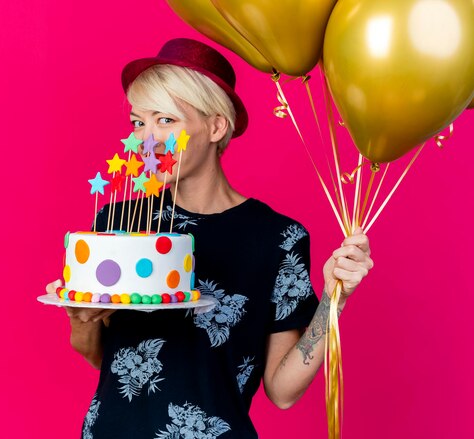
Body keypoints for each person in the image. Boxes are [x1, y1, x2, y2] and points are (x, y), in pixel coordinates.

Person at [51, 38, 373, 438]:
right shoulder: (119, 222)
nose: (147, 141)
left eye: (165, 120)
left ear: (216, 126)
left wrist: (335, 299)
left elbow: (283, 391)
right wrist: (79, 318)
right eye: (139, 122)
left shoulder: (278, 238)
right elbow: (98, 353)